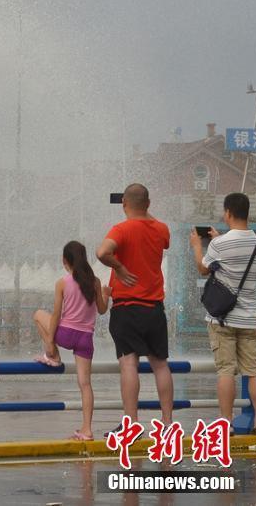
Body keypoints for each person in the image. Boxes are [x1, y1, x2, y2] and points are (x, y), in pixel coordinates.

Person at [190, 192, 256, 436]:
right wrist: (221, 238)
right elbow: (239, 256)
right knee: (254, 370)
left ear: (228, 213)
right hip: (250, 319)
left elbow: (204, 269)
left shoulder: (219, 244)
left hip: (222, 319)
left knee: (226, 371)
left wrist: (197, 246)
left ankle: (227, 423)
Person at [96, 183, 173, 432]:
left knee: (129, 364)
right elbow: (155, 227)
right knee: (160, 364)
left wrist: (118, 267)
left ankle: (131, 425)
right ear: (149, 204)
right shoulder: (161, 229)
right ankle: (167, 423)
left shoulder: (122, 229)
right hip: (154, 308)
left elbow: (102, 252)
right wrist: (142, 208)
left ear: (124, 204)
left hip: (127, 308)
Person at [33, 240, 109, 440]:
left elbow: (56, 315)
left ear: (65, 260)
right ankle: (87, 430)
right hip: (85, 339)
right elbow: (102, 310)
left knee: (39, 314)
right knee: (85, 384)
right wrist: (106, 295)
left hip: (65, 335)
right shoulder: (95, 282)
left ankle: (54, 356)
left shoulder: (63, 282)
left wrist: (50, 342)